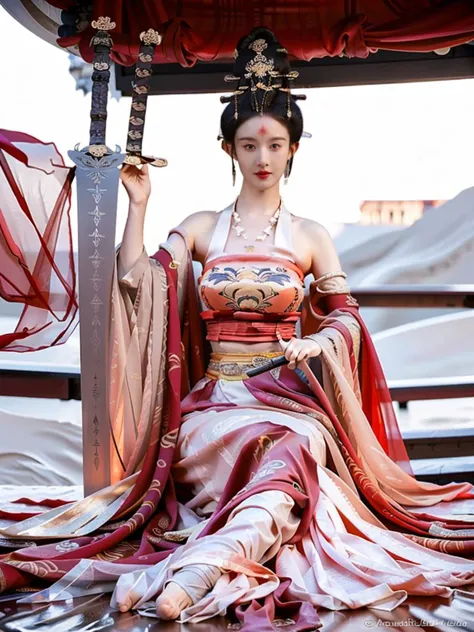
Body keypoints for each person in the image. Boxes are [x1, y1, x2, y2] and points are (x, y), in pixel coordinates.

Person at [1, 26, 474, 631]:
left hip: (289, 403)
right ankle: (203, 568)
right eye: (249, 145)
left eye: (275, 145)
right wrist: (139, 206)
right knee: (278, 461)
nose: (263, 158)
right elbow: (136, 281)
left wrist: (319, 339)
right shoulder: (201, 226)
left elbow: (347, 315)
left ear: (294, 150)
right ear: (228, 149)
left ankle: (201, 570)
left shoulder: (309, 236)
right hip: (213, 403)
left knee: (295, 448)